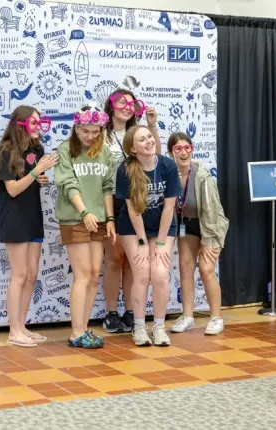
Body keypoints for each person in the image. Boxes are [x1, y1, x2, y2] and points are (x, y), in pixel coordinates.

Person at [0, 105, 58, 347]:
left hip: (33, 216)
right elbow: (12, 189)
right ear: (20, 124)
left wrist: (40, 177)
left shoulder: (36, 148)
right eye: (33, 122)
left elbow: (30, 181)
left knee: (31, 275)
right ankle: (13, 330)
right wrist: (37, 171)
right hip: (15, 218)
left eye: (39, 122)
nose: (37, 127)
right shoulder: (7, 151)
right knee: (19, 275)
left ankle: (22, 325)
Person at [54, 105, 116, 349]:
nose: (90, 136)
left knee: (92, 276)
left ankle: (83, 328)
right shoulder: (66, 150)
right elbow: (68, 184)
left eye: (96, 131)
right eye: (86, 131)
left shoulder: (104, 153)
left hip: (98, 219)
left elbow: (107, 187)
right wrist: (84, 211)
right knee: (82, 276)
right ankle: (75, 332)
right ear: (76, 128)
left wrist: (109, 219)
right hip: (75, 218)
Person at [102, 89, 161, 334]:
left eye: (131, 103)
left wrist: (152, 125)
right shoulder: (101, 135)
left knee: (132, 262)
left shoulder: (137, 133)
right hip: (113, 202)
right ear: (111, 106)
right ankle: (111, 312)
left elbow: (155, 155)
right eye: (121, 102)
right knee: (115, 259)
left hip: (138, 203)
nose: (127, 107)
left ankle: (130, 311)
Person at [116, 125, 181, 347]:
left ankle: (160, 327)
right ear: (133, 149)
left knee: (160, 274)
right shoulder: (125, 169)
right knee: (142, 273)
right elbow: (133, 210)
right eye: (142, 140)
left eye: (150, 137)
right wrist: (143, 241)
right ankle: (140, 327)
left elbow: (169, 208)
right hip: (133, 228)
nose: (149, 141)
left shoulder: (168, 166)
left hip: (162, 226)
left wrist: (161, 242)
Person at [167, 133, 229, 336]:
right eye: (178, 148)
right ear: (171, 152)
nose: (184, 152)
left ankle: (216, 317)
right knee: (185, 268)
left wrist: (208, 240)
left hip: (209, 226)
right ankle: (188, 316)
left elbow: (211, 211)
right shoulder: (170, 174)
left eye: (187, 148)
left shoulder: (202, 175)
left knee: (206, 269)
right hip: (186, 225)